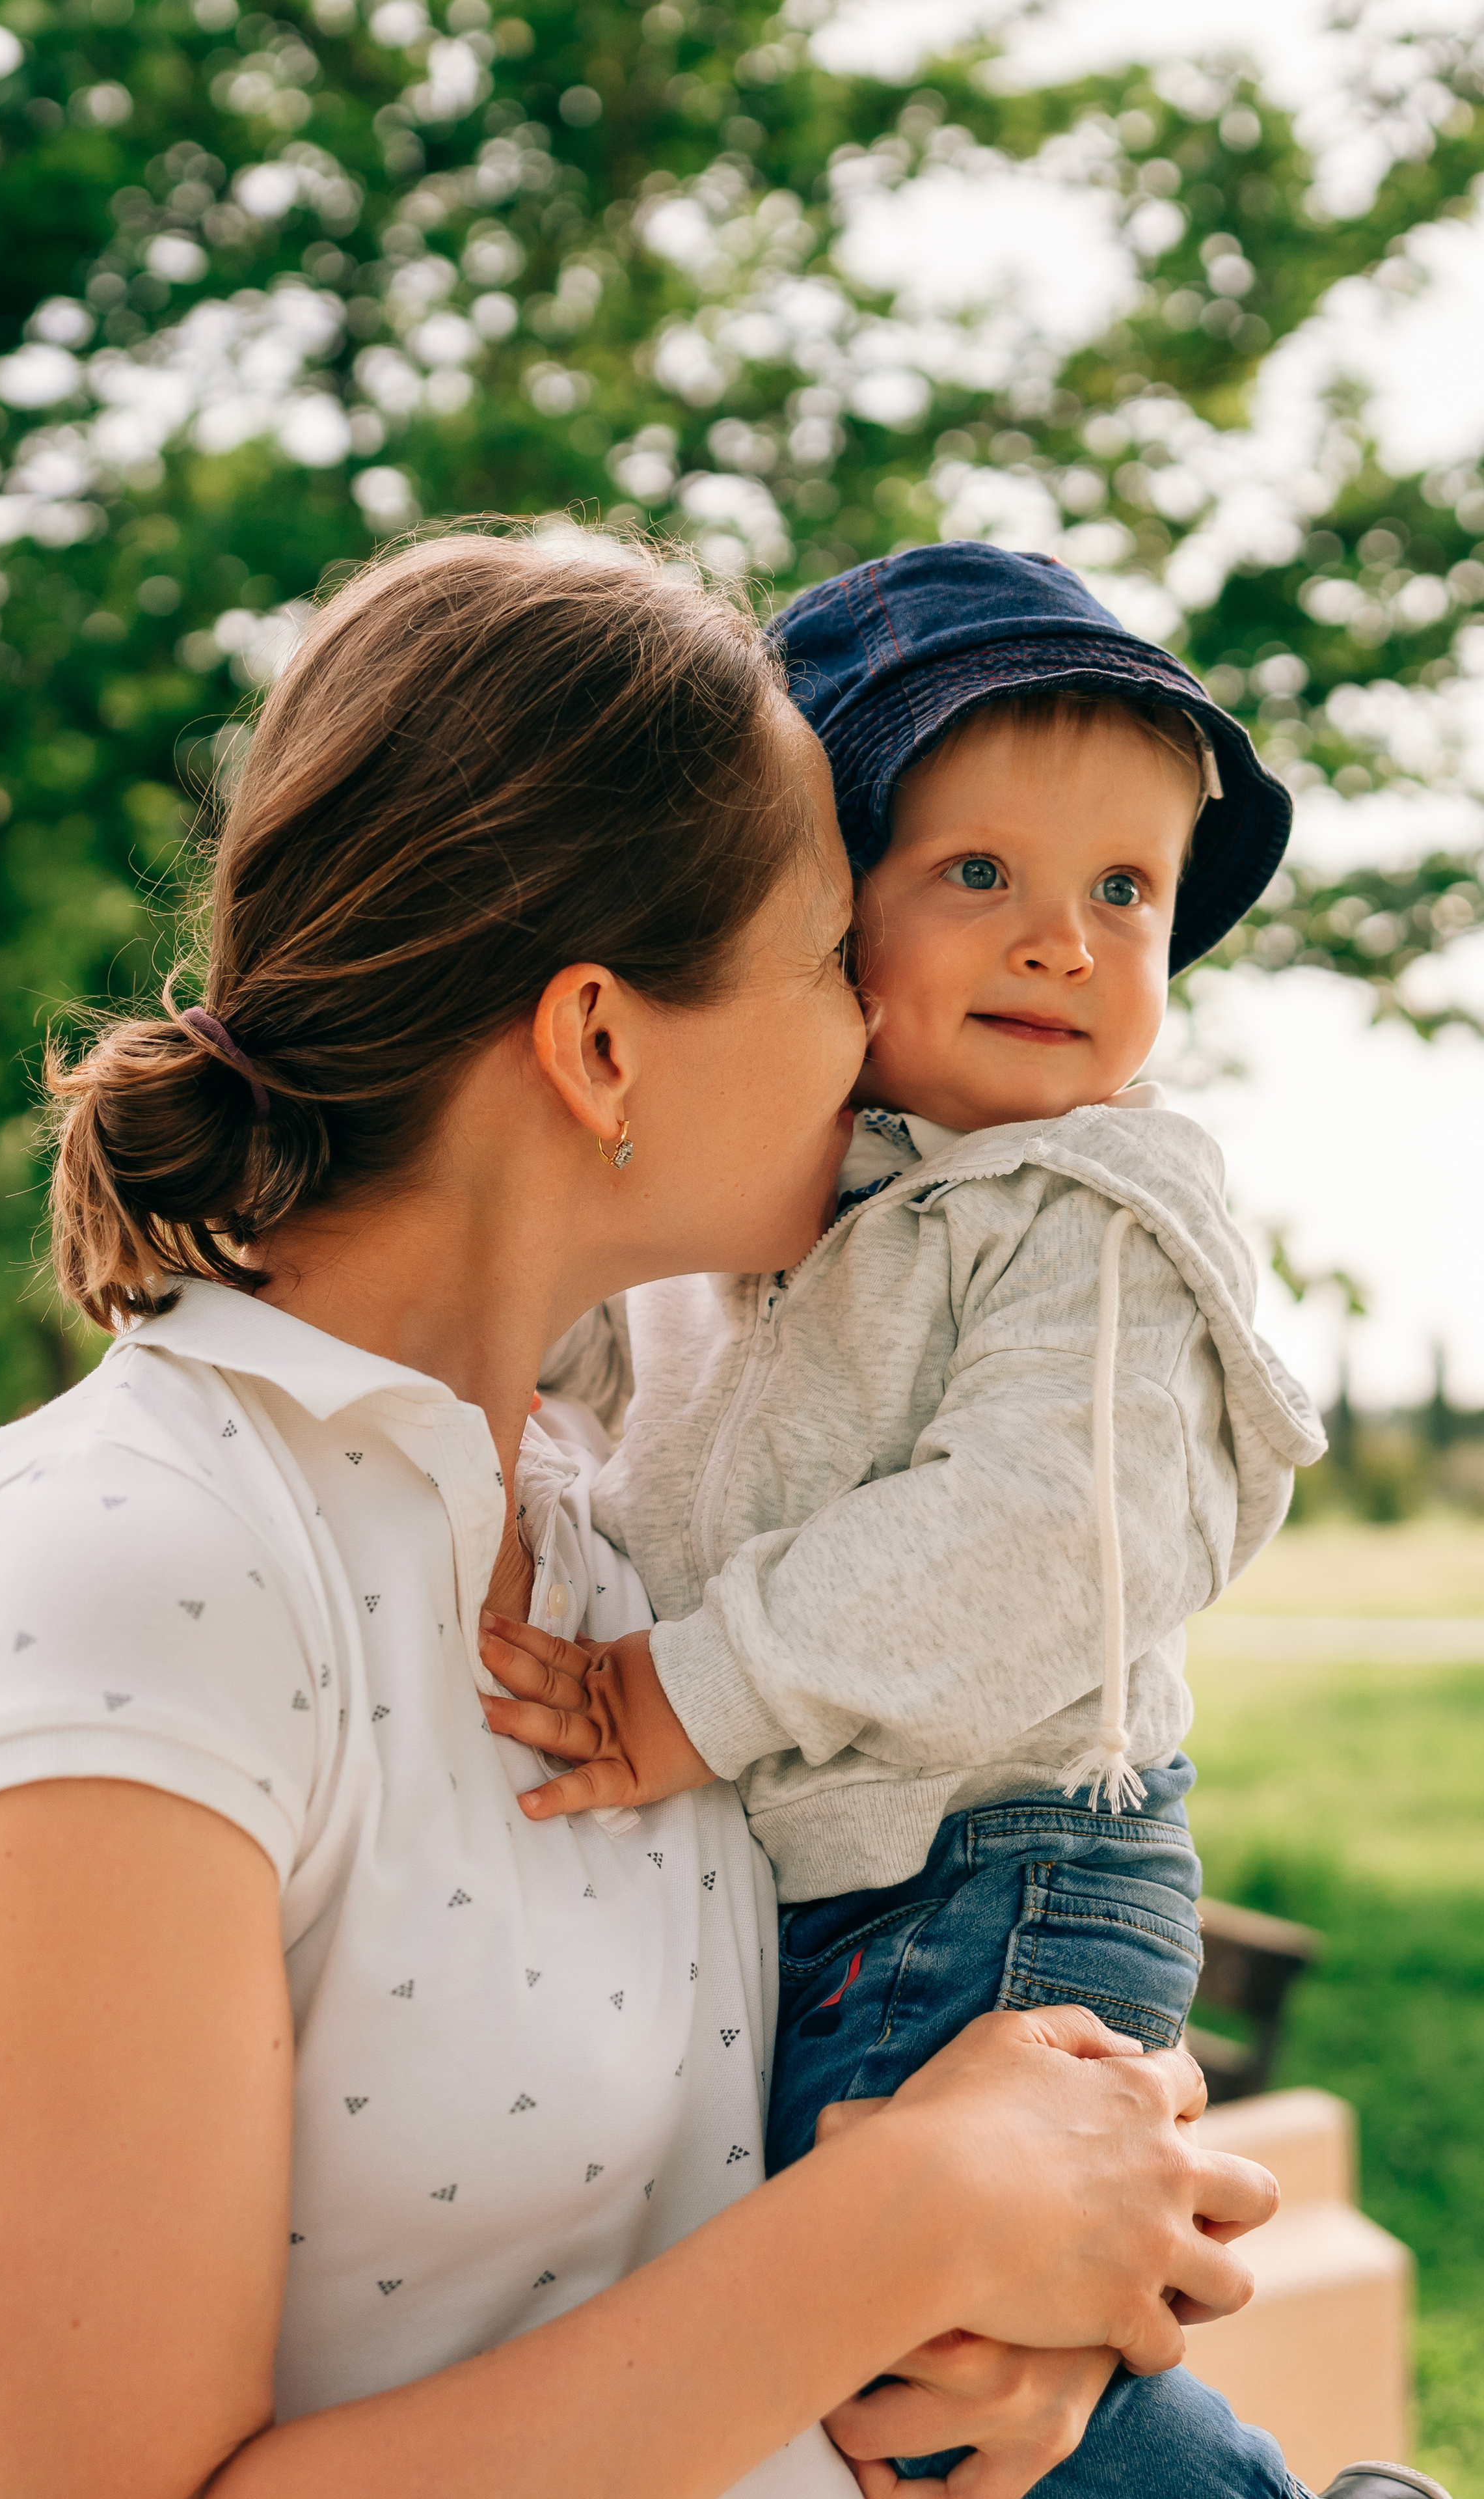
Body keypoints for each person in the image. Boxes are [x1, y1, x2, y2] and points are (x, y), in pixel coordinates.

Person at [0, 528, 1284, 2499]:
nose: (874, 1034)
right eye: (822, 962)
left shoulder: (606, 1530)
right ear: (604, 1043)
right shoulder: (140, 1567)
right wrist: (907, 2230)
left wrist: (1041, 2273)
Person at [491, 544, 1362, 2492]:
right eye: (982, 874)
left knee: (933, 2405)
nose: (1064, 941)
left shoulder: (1090, 1211)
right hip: (850, 1874)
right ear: (818, 916)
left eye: (1124, 894)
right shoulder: (767, 1216)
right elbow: (610, 1431)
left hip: (1001, 1872)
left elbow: (1036, 1543)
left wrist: (684, 1691)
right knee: (851, 2370)